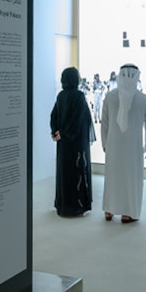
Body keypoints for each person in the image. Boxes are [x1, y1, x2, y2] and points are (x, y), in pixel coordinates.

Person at [100, 64, 146, 223]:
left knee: (113, 176)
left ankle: (109, 210)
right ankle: (128, 213)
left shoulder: (110, 96)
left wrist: (105, 143)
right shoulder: (143, 99)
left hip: (114, 145)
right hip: (134, 147)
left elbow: (105, 123)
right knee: (131, 179)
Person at [50, 67, 95, 217]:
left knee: (65, 173)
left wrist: (56, 132)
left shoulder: (61, 96)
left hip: (63, 144)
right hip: (76, 144)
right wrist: (63, 133)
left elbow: (54, 116)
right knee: (76, 173)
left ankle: (64, 205)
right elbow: (78, 120)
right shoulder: (79, 96)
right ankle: (76, 206)